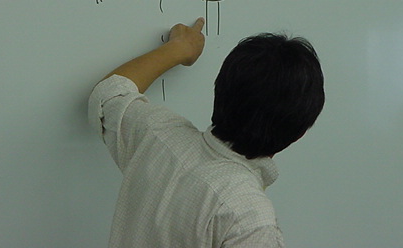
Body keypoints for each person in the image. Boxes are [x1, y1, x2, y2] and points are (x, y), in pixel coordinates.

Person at [88, 17, 324, 247]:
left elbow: (109, 94)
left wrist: (178, 49)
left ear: (220, 89)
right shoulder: (249, 220)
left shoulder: (159, 134)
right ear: (299, 132)